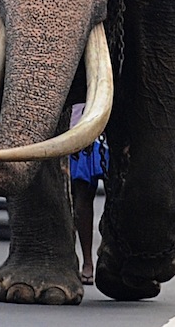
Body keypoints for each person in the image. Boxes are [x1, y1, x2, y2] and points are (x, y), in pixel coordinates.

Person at [69, 103, 106, 285]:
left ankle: (108, 250)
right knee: (82, 195)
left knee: (118, 193)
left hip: (111, 127)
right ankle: (87, 261)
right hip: (79, 128)